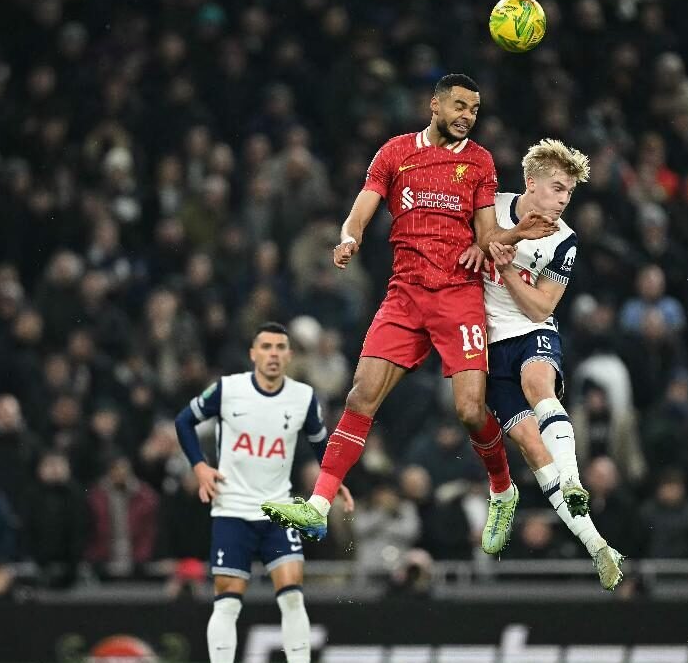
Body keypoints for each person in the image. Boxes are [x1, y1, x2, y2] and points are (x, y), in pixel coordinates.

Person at [261, 74, 558, 555]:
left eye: (474, 109)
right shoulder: (396, 152)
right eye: (459, 106)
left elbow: (484, 237)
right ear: (434, 104)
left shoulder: (479, 163)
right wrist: (350, 236)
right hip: (404, 296)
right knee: (360, 397)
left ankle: (502, 490)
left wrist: (517, 232)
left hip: (458, 296)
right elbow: (363, 206)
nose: (467, 116)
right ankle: (316, 507)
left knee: (468, 410)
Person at [477, 138, 625, 588]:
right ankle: (596, 544)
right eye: (557, 188)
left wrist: (503, 270)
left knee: (539, 386)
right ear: (531, 183)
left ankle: (574, 480)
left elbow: (541, 308)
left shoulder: (565, 241)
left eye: (569, 193)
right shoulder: (491, 208)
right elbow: (476, 244)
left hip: (532, 333)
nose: (563, 199)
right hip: (486, 348)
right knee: (531, 445)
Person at [175, 322, 353, 663]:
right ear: (253, 354)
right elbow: (184, 421)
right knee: (227, 601)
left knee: (292, 597)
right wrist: (199, 466)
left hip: (279, 511)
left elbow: (320, 444)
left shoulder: (303, 398)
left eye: (280, 347)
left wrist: (334, 481)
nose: (273, 354)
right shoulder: (228, 390)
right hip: (232, 510)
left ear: (289, 355)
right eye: (266, 347)